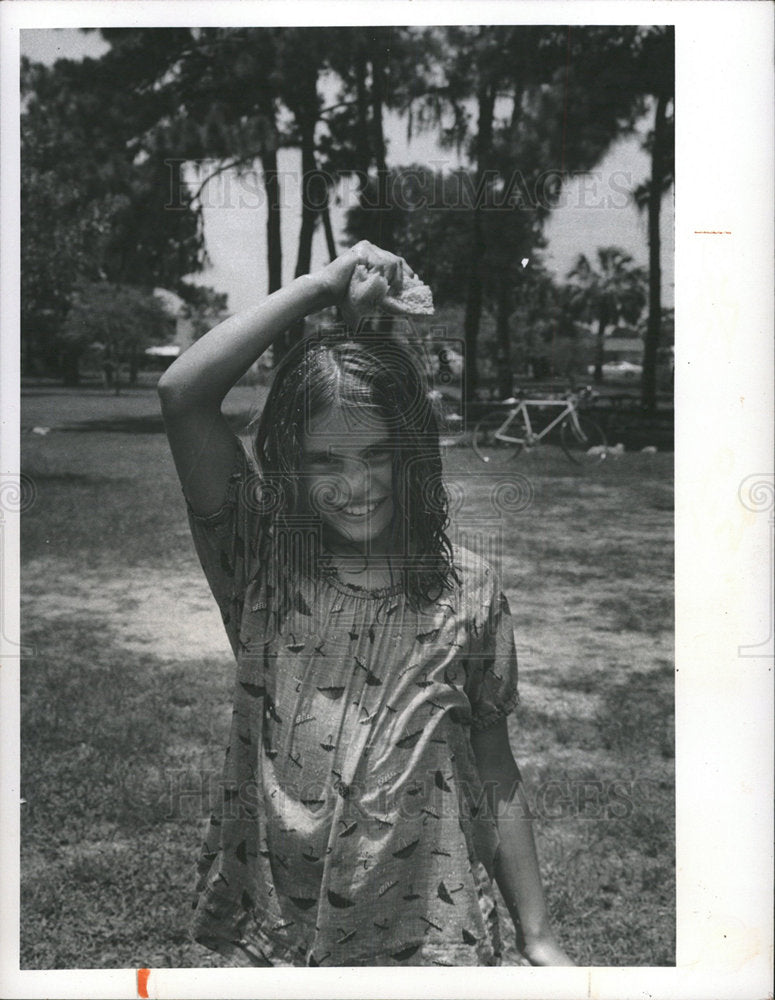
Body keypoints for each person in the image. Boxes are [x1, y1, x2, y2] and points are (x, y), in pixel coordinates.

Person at [158, 240, 573, 968]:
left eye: (375, 453)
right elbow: (183, 394)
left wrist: (539, 937)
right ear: (288, 467)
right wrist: (320, 286)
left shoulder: (468, 591)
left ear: (411, 452)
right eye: (323, 460)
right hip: (282, 932)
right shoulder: (262, 568)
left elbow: (494, 768)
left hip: (429, 938)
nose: (354, 484)